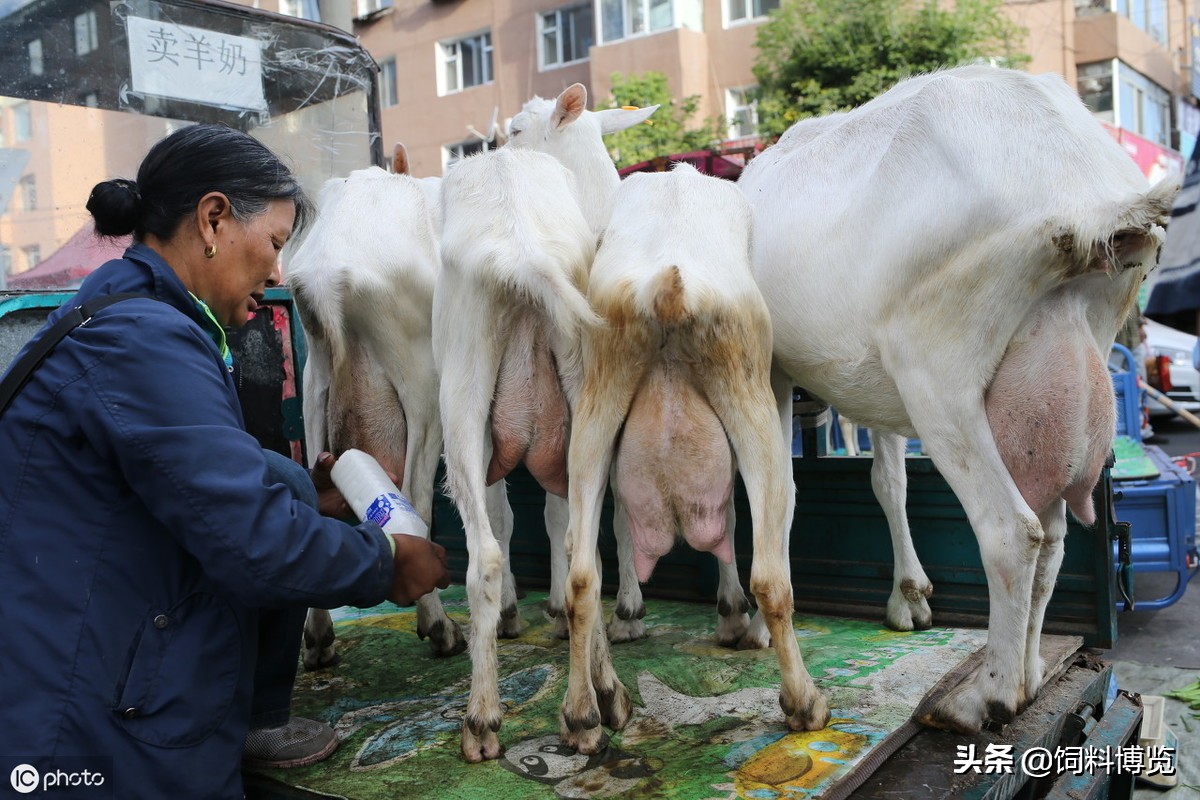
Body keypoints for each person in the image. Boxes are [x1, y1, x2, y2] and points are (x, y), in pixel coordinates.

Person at [0, 124, 450, 798]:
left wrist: (313, 501)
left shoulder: (139, 311)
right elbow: (250, 540)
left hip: (94, 644)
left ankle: (253, 720)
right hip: (81, 733)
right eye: (273, 243)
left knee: (285, 478)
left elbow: (212, 482)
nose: (276, 274)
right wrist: (384, 563)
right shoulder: (141, 340)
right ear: (212, 219)